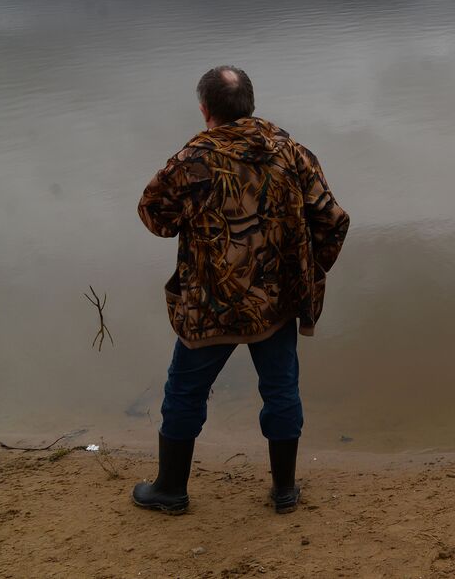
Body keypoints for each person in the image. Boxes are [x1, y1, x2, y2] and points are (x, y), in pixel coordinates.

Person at [132, 66, 349, 514]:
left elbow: (154, 215)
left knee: (184, 394)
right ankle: (284, 492)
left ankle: (171, 491)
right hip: (274, 304)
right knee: (282, 390)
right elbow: (333, 220)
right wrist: (304, 271)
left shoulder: (192, 159)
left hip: (211, 305)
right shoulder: (291, 152)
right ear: (249, 104)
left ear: (205, 109)